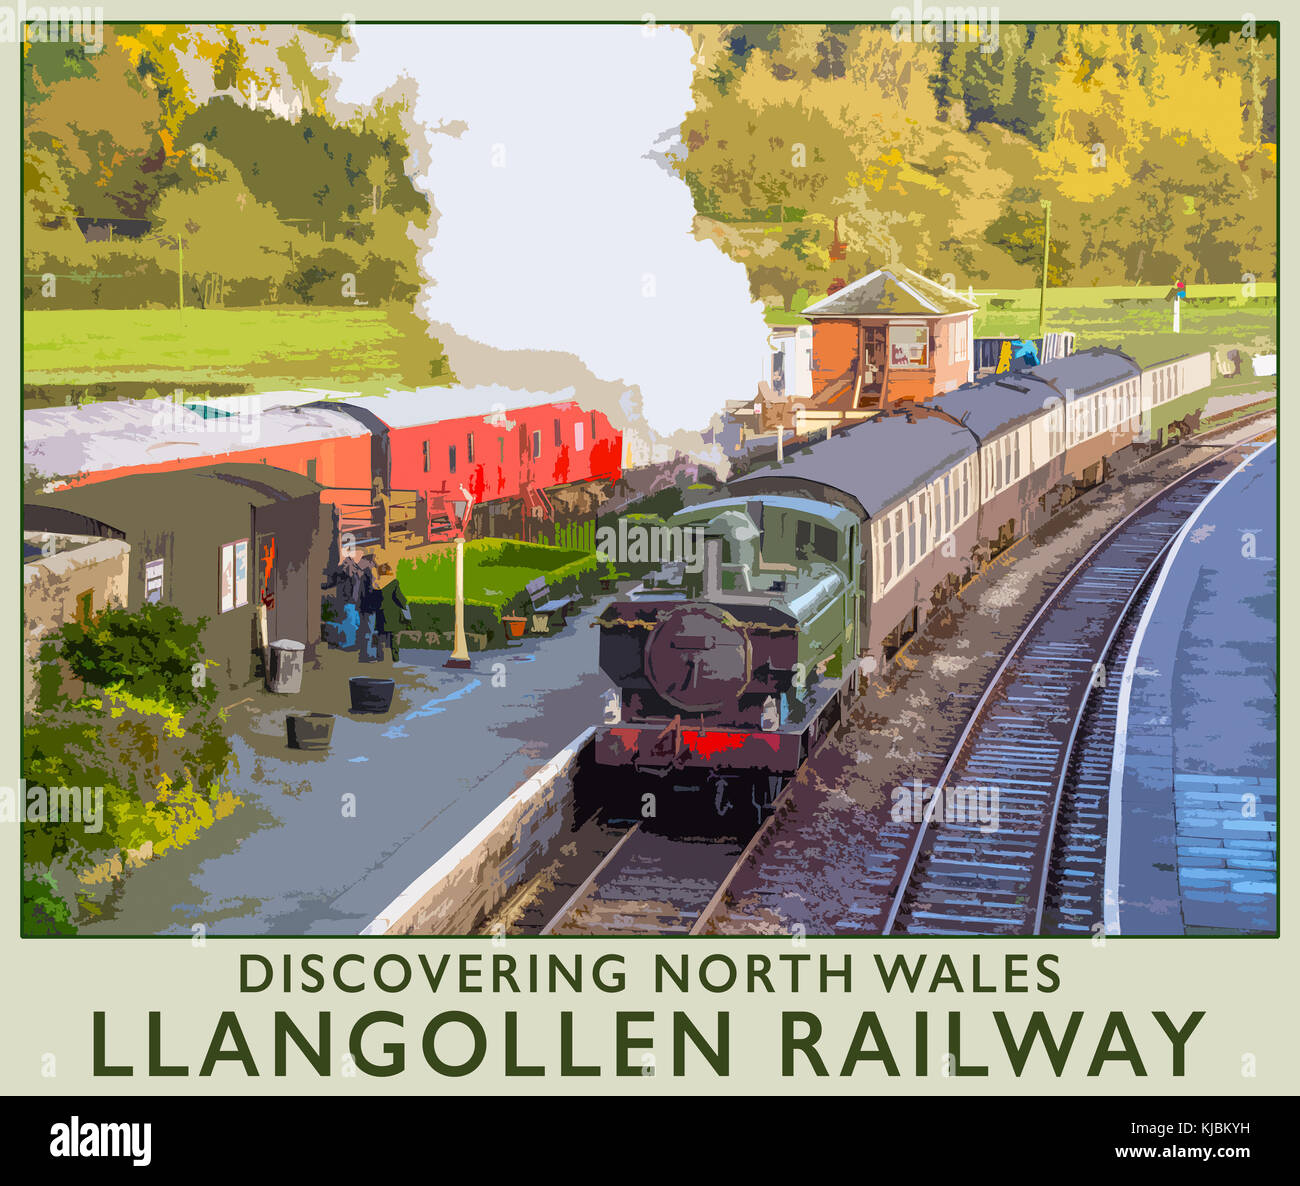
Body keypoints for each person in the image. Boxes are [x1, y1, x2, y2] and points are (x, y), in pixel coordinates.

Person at [373, 563, 411, 661]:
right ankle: (395, 657)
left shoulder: (376, 583)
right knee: (394, 637)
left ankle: (380, 657)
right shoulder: (394, 583)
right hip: (393, 613)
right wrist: (405, 606)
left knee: (381, 636)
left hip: (380, 613)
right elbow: (400, 598)